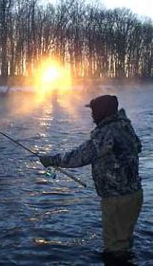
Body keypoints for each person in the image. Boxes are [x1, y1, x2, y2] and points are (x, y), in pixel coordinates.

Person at [40, 94, 143, 263]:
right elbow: (137, 147)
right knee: (124, 242)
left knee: (115, 250)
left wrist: (51, 160)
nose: (92, 115)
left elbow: (80, 156)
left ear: (102, 112)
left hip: (117, 200)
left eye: (94, 111)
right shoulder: (125, 126)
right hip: (134, 195)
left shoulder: (106, 133)